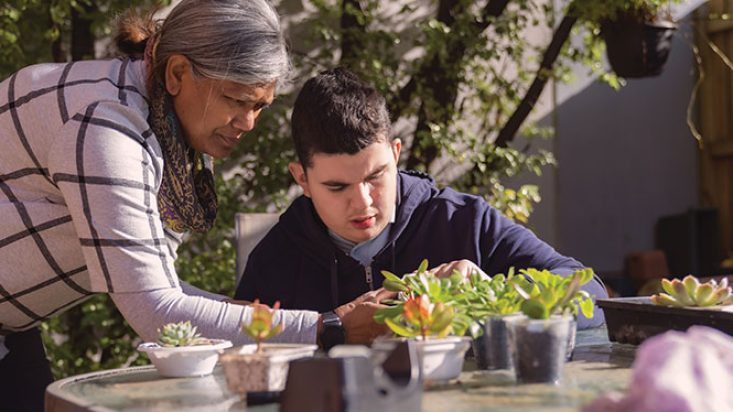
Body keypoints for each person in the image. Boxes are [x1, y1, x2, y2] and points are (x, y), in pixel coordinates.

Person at [0, 2, 380, 411]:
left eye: (259, 106)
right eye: (236, 100)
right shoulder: (107, 127)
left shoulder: (160, 120)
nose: (248, 123)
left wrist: (294, 323)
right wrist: (328, 328)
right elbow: (156, 311)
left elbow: (160, 288)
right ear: (178, 73)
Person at [235, 67, 608, 340]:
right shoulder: (275, 259)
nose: (363, 203)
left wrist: (493, 295)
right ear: (302, 178)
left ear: (396, 155)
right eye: (337, 187)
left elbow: (589, 293)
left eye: (375, 176)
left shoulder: (465, 221)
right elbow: (241, 349)